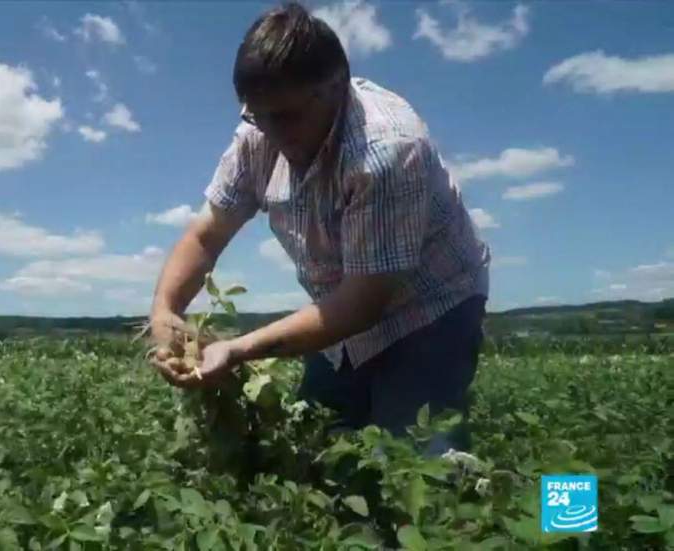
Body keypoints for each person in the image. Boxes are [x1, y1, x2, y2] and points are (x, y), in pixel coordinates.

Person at [147, 1, 490, 454]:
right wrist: (164, 310)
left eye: (285, 116)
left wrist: (236, 348)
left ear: (335, 87)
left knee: (415, 454)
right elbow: (206, 235)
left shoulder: (386, 151)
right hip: (342, 310)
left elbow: (361, 305)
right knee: (319, 443)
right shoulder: (259, 134)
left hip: (430, 307)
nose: (270, 131)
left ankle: (513, 518)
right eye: (257, 115)